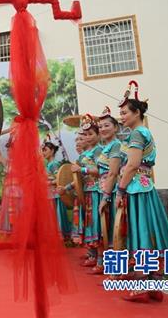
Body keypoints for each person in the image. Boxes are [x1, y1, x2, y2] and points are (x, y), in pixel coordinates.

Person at [116, 82, 168, 302]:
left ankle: (142, 281)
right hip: (145, 187)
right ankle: (154, 283)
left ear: (137, 113)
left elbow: (132, 165)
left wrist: (120, 190)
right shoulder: (144, 132)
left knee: (141, 232)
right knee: (152, 231)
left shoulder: (137, 134)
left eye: (124, 113)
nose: (121, 117)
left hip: (136, 189)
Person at [91, 107, 122, 275]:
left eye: (106, 126)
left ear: (116, 127)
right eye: (101, 126)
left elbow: (112, 173)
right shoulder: (106, 147)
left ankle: (118, 270)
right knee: (108, 231)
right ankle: (114, 269)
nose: (102, 129)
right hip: (104, 190)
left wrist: (105, 196)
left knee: (116, 231)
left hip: (112, 192)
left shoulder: (116, 145)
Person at [71, 114, 102, 267]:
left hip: (97, 190)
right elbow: (78, 177)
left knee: (97, 223)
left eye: (91, 134)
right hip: (87, 191)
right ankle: (92, 255)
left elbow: (100, 170)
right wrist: (67, 187)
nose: (88, 137)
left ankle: (101, 260)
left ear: (98, 134)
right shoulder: (84, 154)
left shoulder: (99, 150)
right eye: (86, 134)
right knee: (89, 223)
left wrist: (82, 169)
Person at [42, 139, 71, 240]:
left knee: (54, 216)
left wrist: (47, 183)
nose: (43, 152)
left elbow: (59, 179)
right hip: (50, 194)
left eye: (45, 150)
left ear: (52, 150)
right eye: (42, 150)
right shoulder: (49, 164)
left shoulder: (53, 164)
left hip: (54, 195)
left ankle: (57, 237)